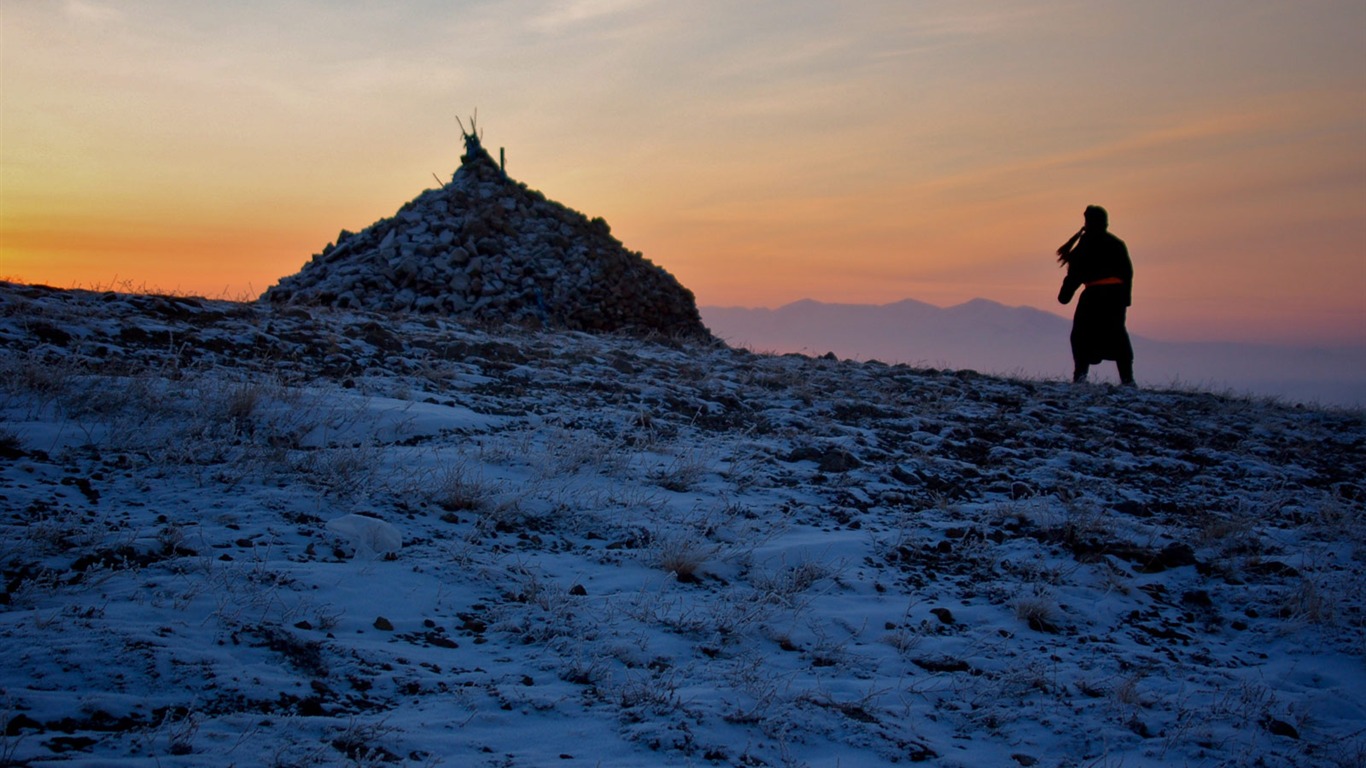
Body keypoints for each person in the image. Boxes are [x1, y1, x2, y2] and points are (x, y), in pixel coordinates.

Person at [1056, 205, 1135, 385]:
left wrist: (1065, 295)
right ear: (1105, 223)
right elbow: (1128, 273)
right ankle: (1128, 379)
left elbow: (1074, 274)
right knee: (1117, 335)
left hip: (1093, 298)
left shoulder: (1085, 245)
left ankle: (1080, 376)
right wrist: (1125, 300)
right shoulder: (1117, 244)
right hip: (1115, 298)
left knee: (1081, 335)